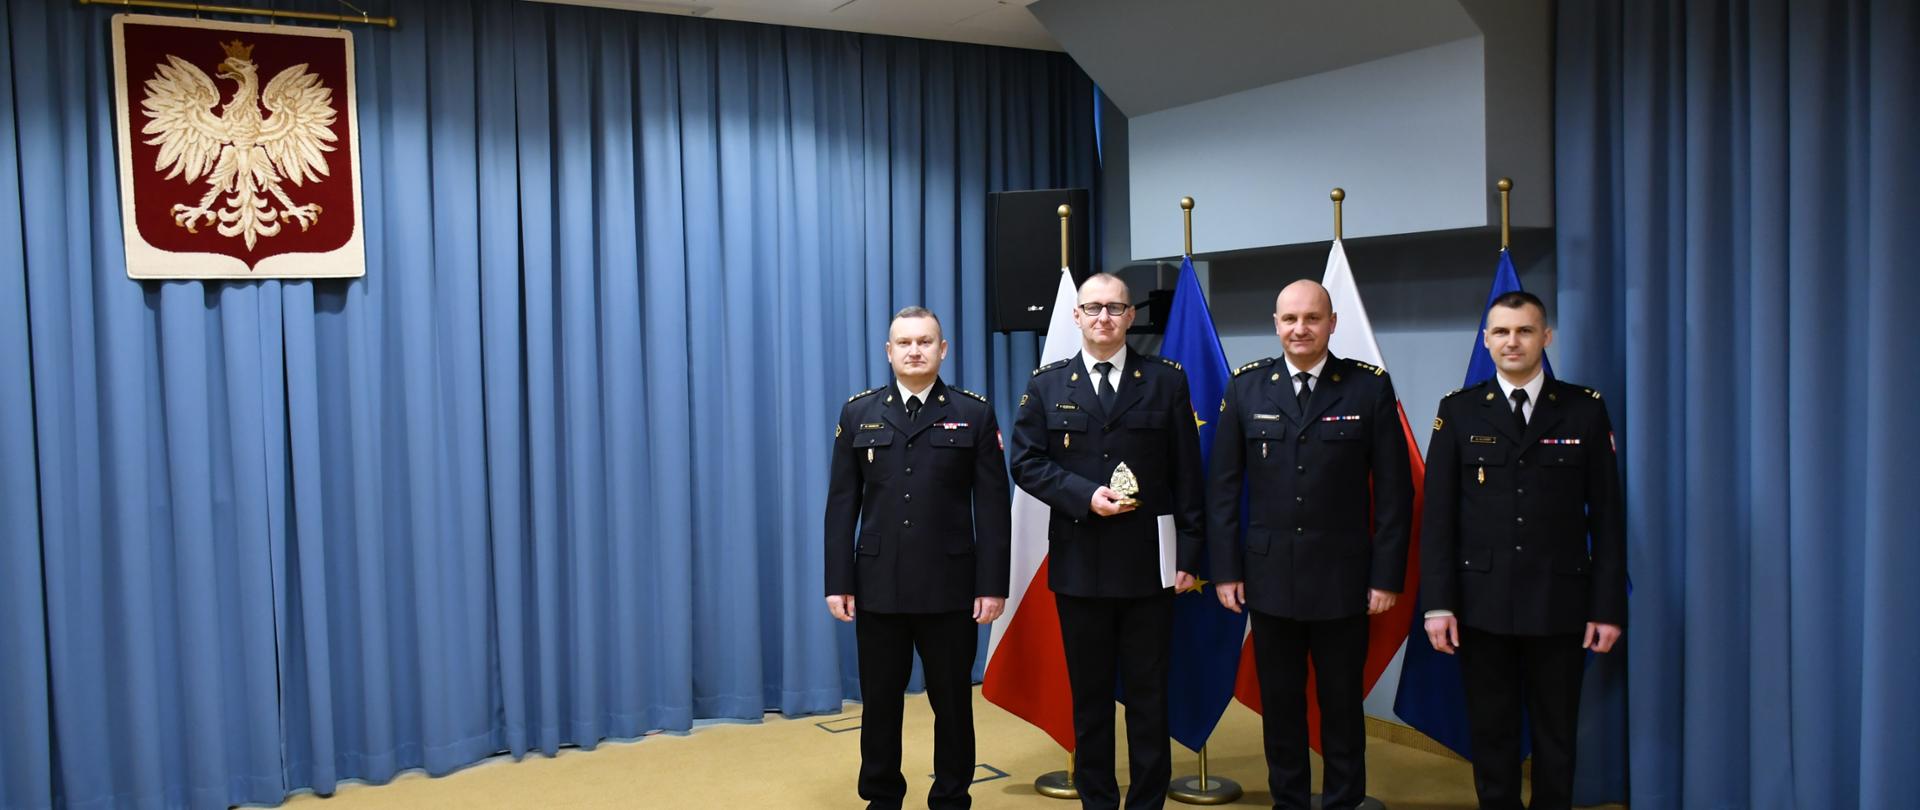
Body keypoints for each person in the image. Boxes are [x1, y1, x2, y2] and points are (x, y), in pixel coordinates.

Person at [1205, 279, 1413, 810]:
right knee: (1281, 705)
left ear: (1332, 323)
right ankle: (1289, 800)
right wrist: (1226, 570)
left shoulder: (1368, 388)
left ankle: (1344, 799)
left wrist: (1386, 576)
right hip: (1269, 578)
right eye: (1289, 319)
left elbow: (1394, 492)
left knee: (1342, 704)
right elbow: (1224, 488)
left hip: (1344, 580)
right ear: (1275, 323)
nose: (1300, 329)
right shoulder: (1246, 387)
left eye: (1312, 318)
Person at [1419, 291, 1626, 810]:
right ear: (1486, 341)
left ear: (1545, 338)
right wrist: (1438, 604)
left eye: (1525, 331)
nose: (1513, 341)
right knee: (1492, 736)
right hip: (1481, 605)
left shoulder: (1584, 410)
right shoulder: (1459, 412)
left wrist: (1606, 608)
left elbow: (1607, 518)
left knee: (1557, 739)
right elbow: (1438, 517)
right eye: (1502, 332)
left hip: (1560, 604)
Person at [1008, 273, 1203, 810]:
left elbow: (1188, 471)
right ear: (1076, 316)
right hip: (1081, 560)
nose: (1103, 318)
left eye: (1115, 308)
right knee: (1090, 698)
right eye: (1092, 308)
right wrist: (1081, 494)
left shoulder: (1165, 381)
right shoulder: (1048, 384)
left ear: (1130, 317)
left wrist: (1189, 554)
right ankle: (1098, 800)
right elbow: (1025, 462)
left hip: (1149, 564)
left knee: (1148, 696)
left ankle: (1146, 802)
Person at [824, 306, 1012, 810]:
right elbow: (842, 504)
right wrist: (837, 580)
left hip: (949, 585)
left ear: (942, 349)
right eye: (904, 343)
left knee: (952, 704)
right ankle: (882, 797)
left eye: (925, 342)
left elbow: (993, 506)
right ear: (889, 352)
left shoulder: (974, 413)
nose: (914, 350)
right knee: (880, 704)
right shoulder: (858, 413)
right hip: (877, 585)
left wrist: (992, 584)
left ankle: (952, 797)